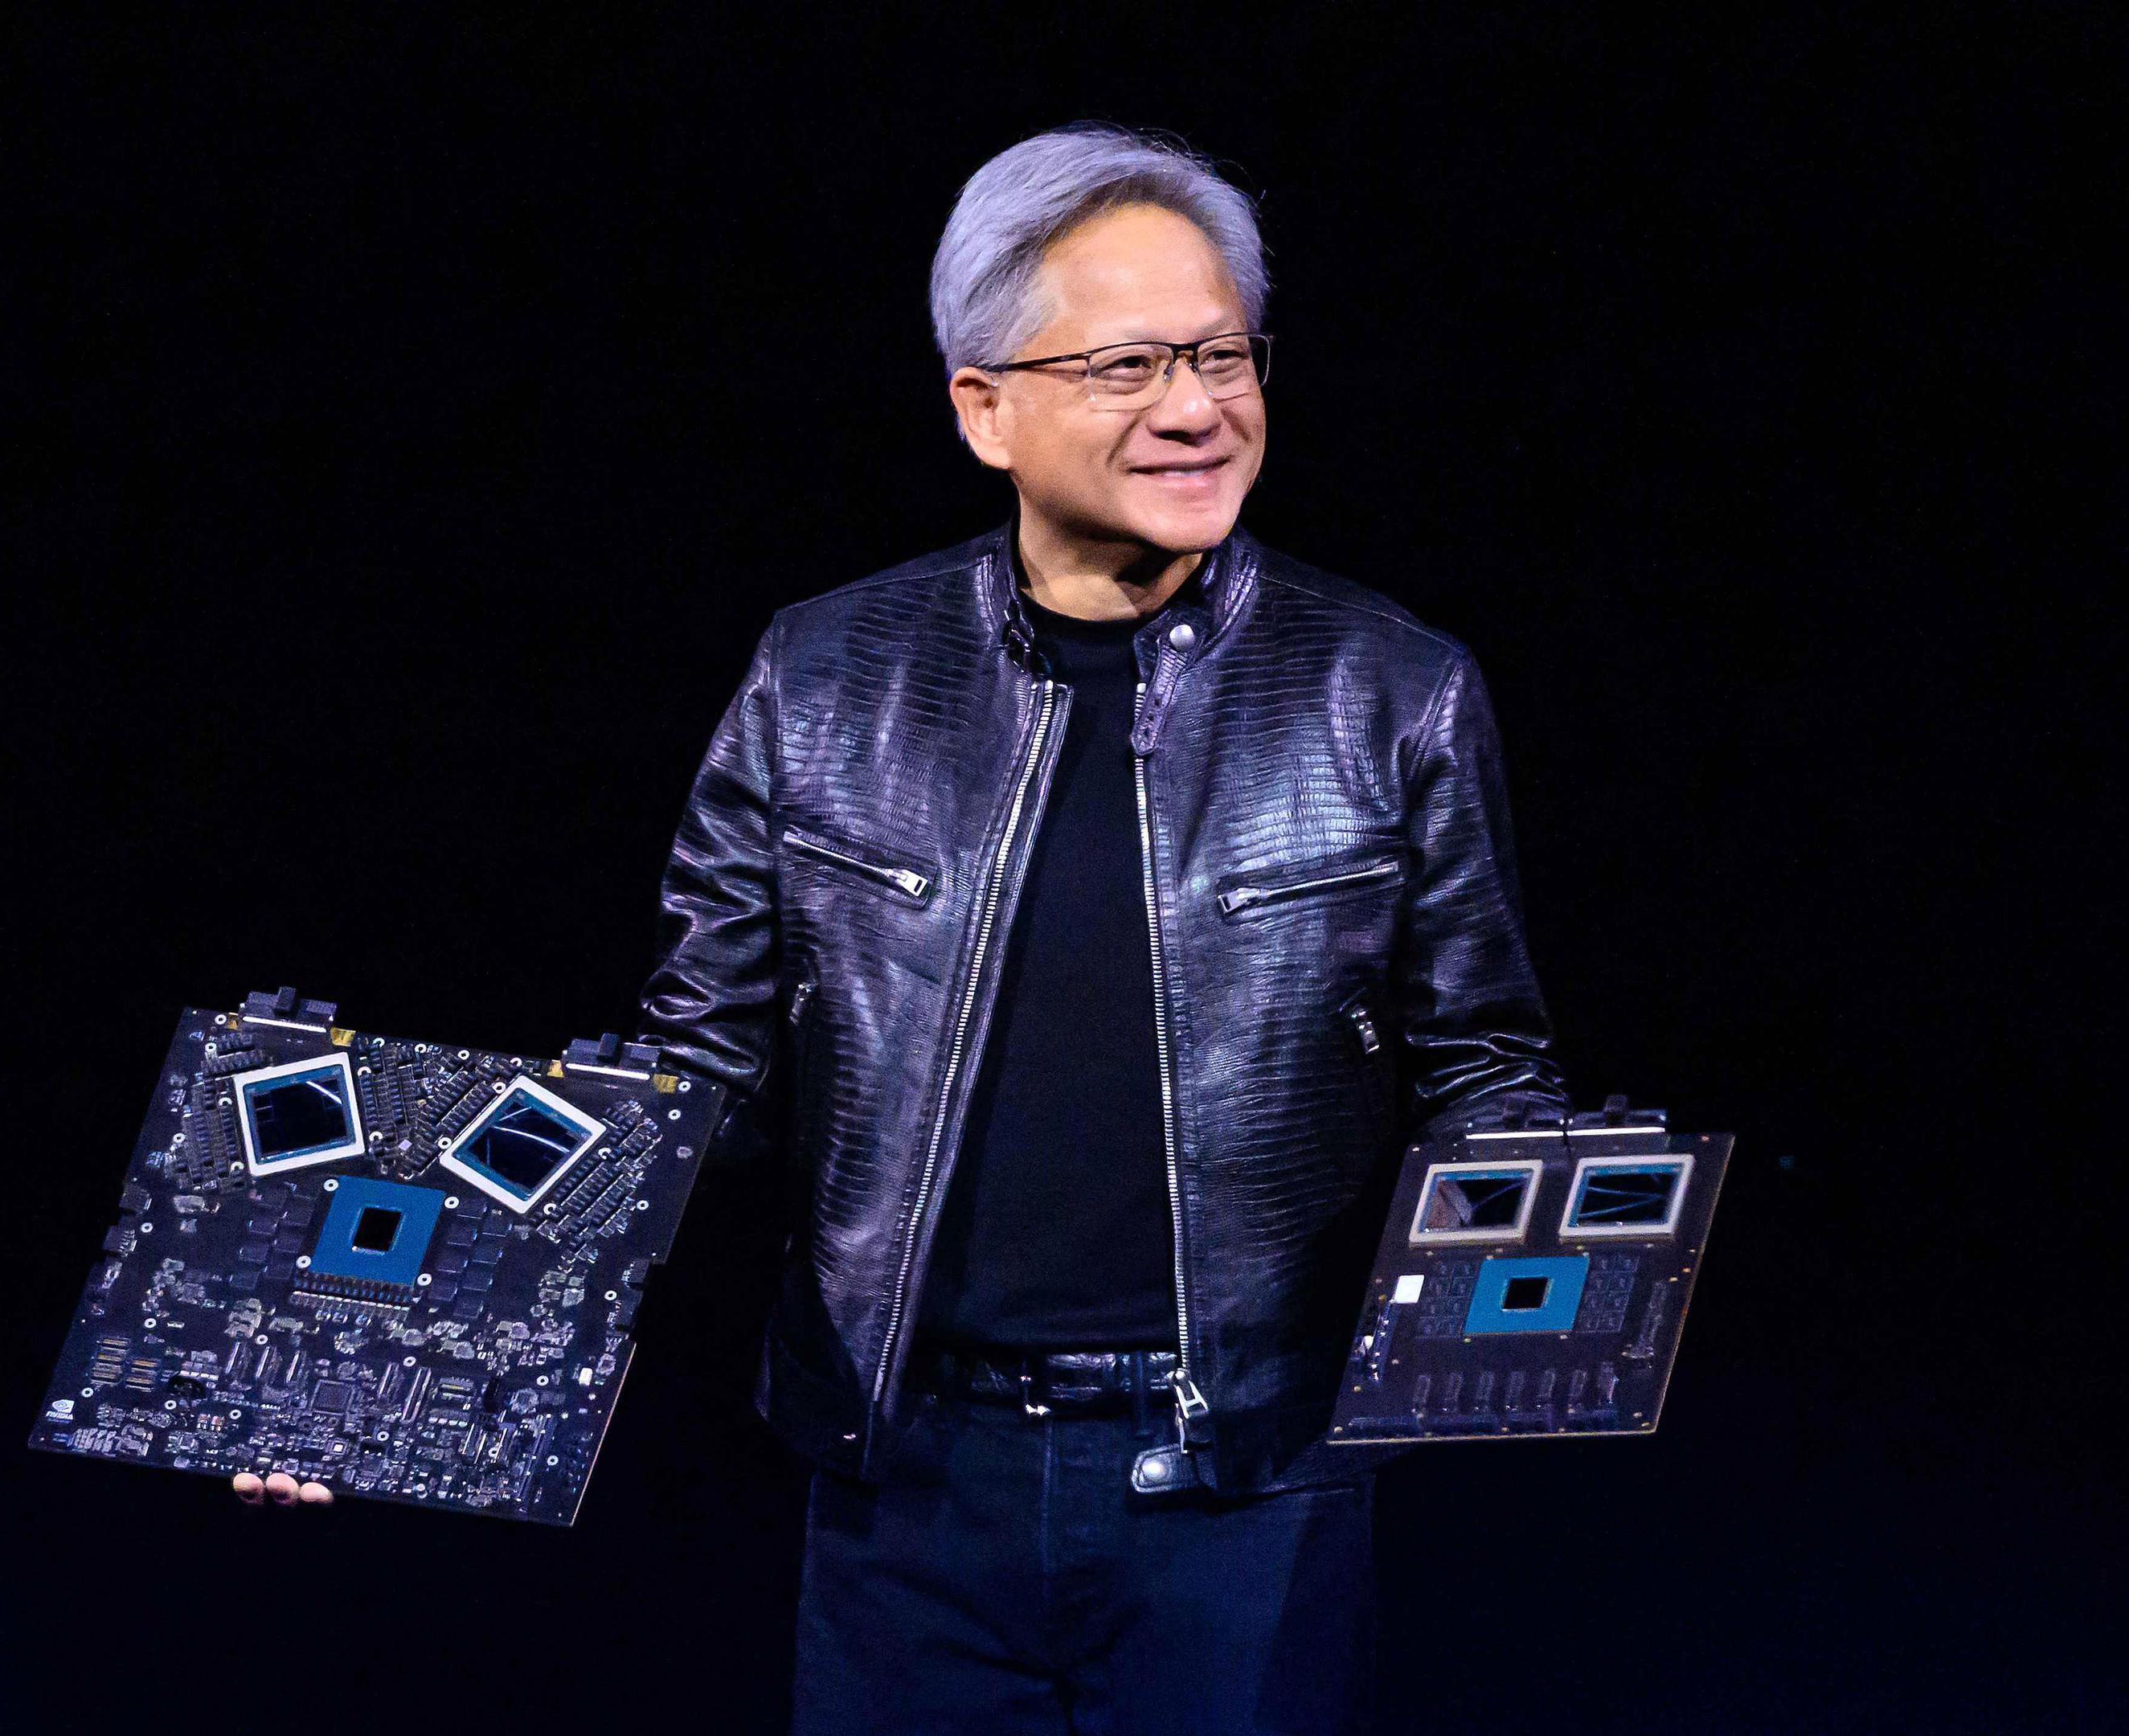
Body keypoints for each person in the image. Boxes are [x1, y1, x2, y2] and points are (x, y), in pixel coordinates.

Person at [240, 121, 1567, 1735]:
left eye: (1223, 354)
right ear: (983, 407)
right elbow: (691, 1081)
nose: (1196, 407)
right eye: (1130, 364)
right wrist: (369, 1353)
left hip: (1249, 1493)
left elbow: (1486, 1078)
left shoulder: (1391, 691)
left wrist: (1560, 1284)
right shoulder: (824, 677)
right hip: (909, 1495)